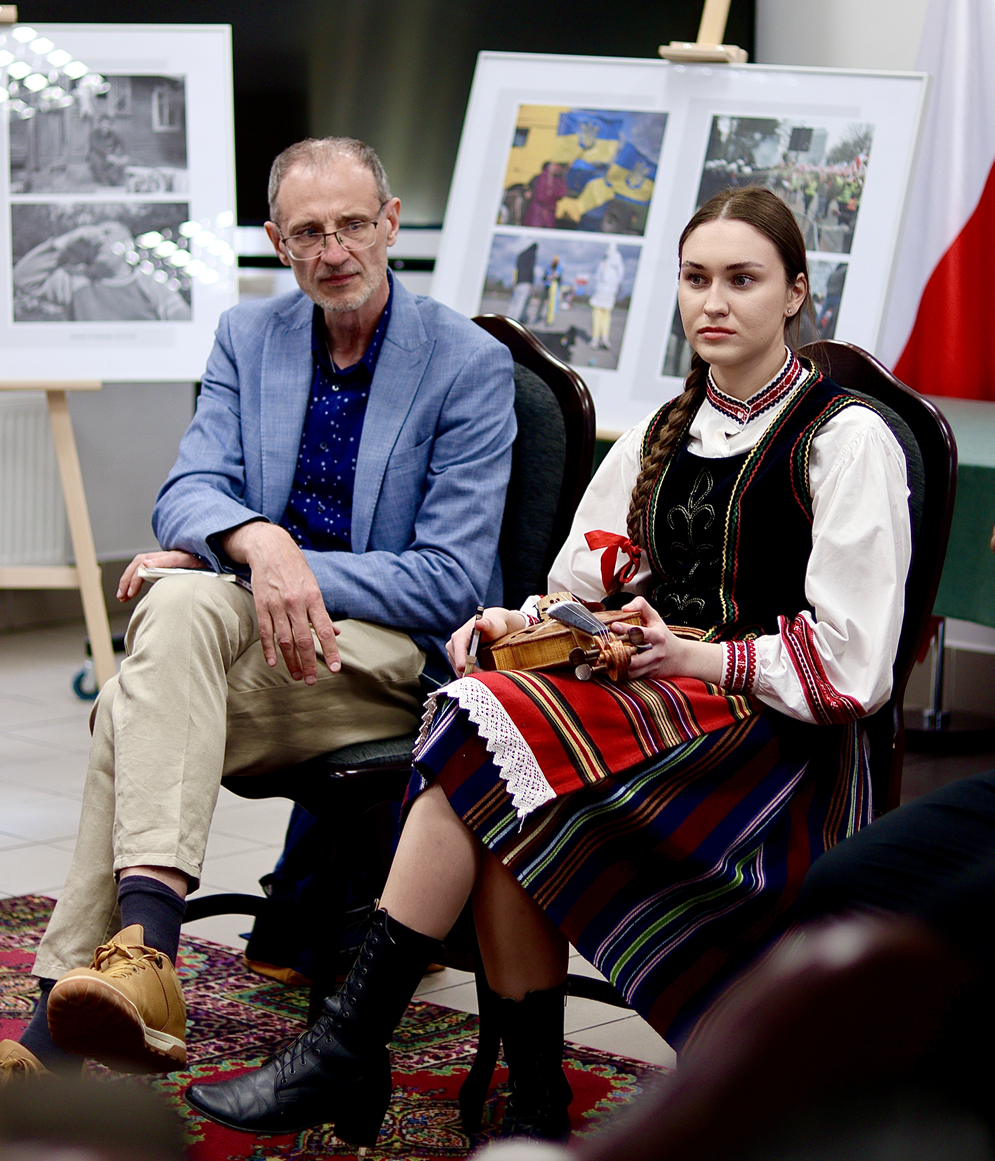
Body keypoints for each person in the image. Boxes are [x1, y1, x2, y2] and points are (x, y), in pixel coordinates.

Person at [184, 187, 909, 1148]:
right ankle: (523, 1099)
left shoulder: (845, 437)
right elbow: (578, 588)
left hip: (770, 742)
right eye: (696, 278)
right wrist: (515, 621)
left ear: (796, 293)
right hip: (660, 702)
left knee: (482, 737)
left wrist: (690, 653)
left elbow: (856, 667)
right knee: (494, 745)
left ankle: (361, 1047)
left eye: (743, 279)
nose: (713, 302)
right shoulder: (662, 431)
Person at [2, 137, 515, 1082]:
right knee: (178, 610)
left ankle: (59, 1023)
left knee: (129, 701)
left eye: (353, 225)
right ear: (278, 243)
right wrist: (255, 541)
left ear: (391, 224)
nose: (334, 251)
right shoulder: (251, 336)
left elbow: (448, 579)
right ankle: (146, 958)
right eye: (309, 232)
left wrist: (281, 564)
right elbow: (187, 490)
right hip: (254, 622)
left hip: (386, 652)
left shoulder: (465, 363)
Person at [12, 220, 191, 321]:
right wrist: (66, 241)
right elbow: (23, 277)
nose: (98, 240)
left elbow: (183, 325)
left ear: (128, 245)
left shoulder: (151, 284)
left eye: (107, 233)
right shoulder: (76, 282)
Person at [588, 242, 624, 350]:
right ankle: (605, 337)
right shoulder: (618, 262)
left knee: (597, 315)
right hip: (610, 292)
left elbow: (597, 275)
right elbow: (620, 276)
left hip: (600, 290)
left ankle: (595, 338)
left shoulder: (604, 261)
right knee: (606, 316)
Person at [87, 115, 127, 186]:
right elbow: (96, 147)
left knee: (120, 165)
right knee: (96, 157)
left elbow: (123, 144)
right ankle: (103, 180)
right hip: (98, 158)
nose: (105, 127)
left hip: (110, 158)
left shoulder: (113, 134)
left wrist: (125, 156)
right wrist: (108, 156)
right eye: (103, 124)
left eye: (107, 124)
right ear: (99, 125)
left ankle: (116, 179)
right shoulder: (93, 134)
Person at [509, 240, 537, 324]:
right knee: (521, 304)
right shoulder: (532, 255)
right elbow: (531, 269)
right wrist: (531, 283)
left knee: (514, 303)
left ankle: (508, 319)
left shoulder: (521, 255)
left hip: (518, 282)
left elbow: (517, 268)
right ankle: (514, 322)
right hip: (526, 282)